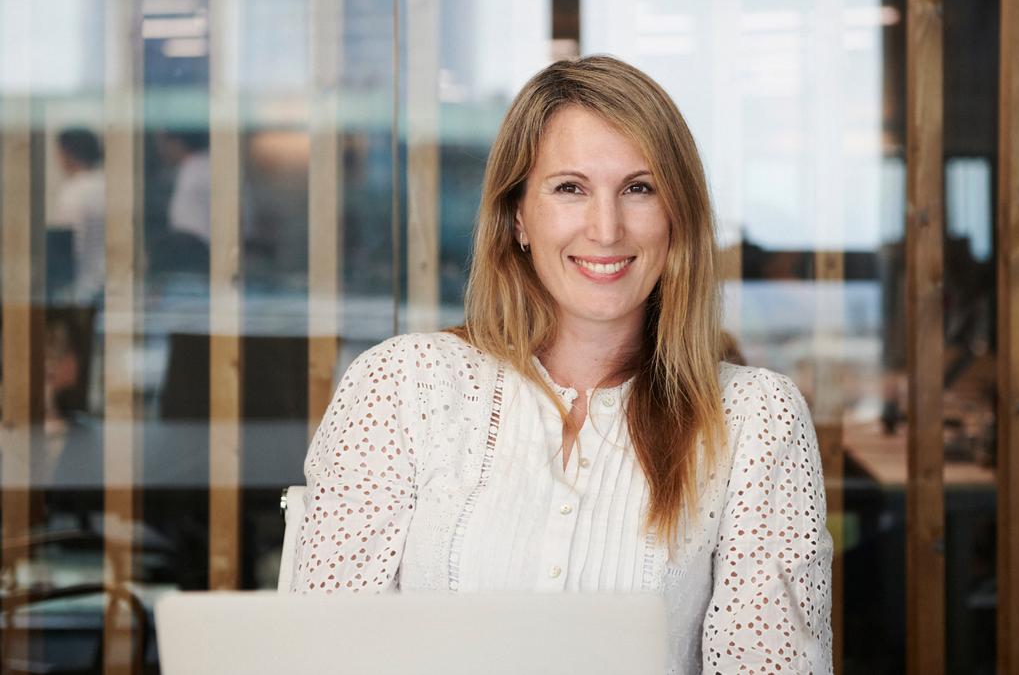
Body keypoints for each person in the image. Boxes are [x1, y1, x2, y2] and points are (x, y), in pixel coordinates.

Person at [291, 56, 833, 673]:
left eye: (639, 188)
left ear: (677, 216)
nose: (606, 228)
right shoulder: (402, 385)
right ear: (518, 215)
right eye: (570, 188)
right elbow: (326, 654)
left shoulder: (756, 418)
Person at [51, 127, 106, 303]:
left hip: (84, 287)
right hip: (108, 283)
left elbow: (69, 246)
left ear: (67, 153)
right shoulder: (106, 184)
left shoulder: (74, 192)